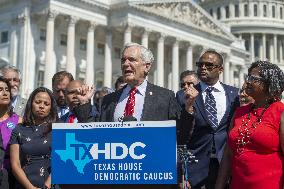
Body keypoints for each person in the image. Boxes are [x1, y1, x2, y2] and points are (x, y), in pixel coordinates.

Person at [69, 42, 191, 189]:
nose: (125, 64)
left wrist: (189, 110)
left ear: (147, 66)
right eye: (123, 60)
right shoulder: (109, 100)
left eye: (132, 60)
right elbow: (95, 134)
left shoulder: (165, 97)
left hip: (152, 177)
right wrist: (84, 104)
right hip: (116, 178)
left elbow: (180, 135)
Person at [215, 61, 284, 189]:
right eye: (248, 77)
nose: (247, 82)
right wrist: (219, 185)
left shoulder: (280, 111)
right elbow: (228, 155)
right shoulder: (239, 112)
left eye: (253, 78)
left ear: (269, 83)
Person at [179, 50, 239, 189]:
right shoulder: (183, 95)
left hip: (226, 165)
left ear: (221, 69)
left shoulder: (234, 95)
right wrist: (189, 107)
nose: (203, 68)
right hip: (196, 168)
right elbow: (180, 135)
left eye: (209, 65)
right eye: (200, 64)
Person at [9, 87, 58, 189]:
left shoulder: (58, 129)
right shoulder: (18, 129)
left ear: (51, 107)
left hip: (50, 184)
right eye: (38, 102)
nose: (41, 106)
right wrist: (30, 187)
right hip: (24, 184)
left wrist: (47, 186)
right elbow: (15, 164)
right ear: (31, 103)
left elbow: (62, 161)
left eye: (46, 104)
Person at [0, 77, 22, 189]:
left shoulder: (19, 121)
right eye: (0, 90)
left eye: (7, 90)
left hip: (10, 177)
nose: (5, 93)